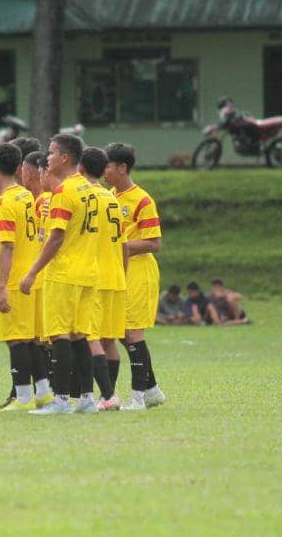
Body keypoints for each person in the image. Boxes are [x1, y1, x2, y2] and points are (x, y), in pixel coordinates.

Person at [20, 134, 101, 415]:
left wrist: (31, 273)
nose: (48, 158)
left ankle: (62, 399)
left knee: (59, 336)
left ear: (65, 158)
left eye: (52, 153)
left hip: (64, 272)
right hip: (88, 272)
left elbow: (55, 238)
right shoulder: (90, 190)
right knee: (79, 335)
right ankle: (87, 398)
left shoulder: (62, 192)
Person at [103, 142, 166, 411]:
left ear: (121, 167)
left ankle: (139, 397)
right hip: (117, 270)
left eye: (107, 166)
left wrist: (120, 246)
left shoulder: (142, 199)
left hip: (139, 271)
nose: (103, 171)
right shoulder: (110, 197)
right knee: (120, 331)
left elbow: (153, 243)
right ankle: (152, 390)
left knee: (132, 331)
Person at [0, 143, 52, 411]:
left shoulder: (5, 204)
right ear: (18, 169)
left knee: (17, 340)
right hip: (33, 276)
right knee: (32, 340)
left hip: (16, 278)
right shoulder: (27, 197)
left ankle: (23, 398)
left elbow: (6, 246)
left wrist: (2, 286)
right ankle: (43, 392)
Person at [80, 147, 127, 409]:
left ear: (80, 169)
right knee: (108, 339)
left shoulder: (87, 198)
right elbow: (124, 244)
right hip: (116, 276)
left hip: (96, 276)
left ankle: (108, 395)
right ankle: (107, 395)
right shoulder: (113, 200)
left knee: (91, 337)